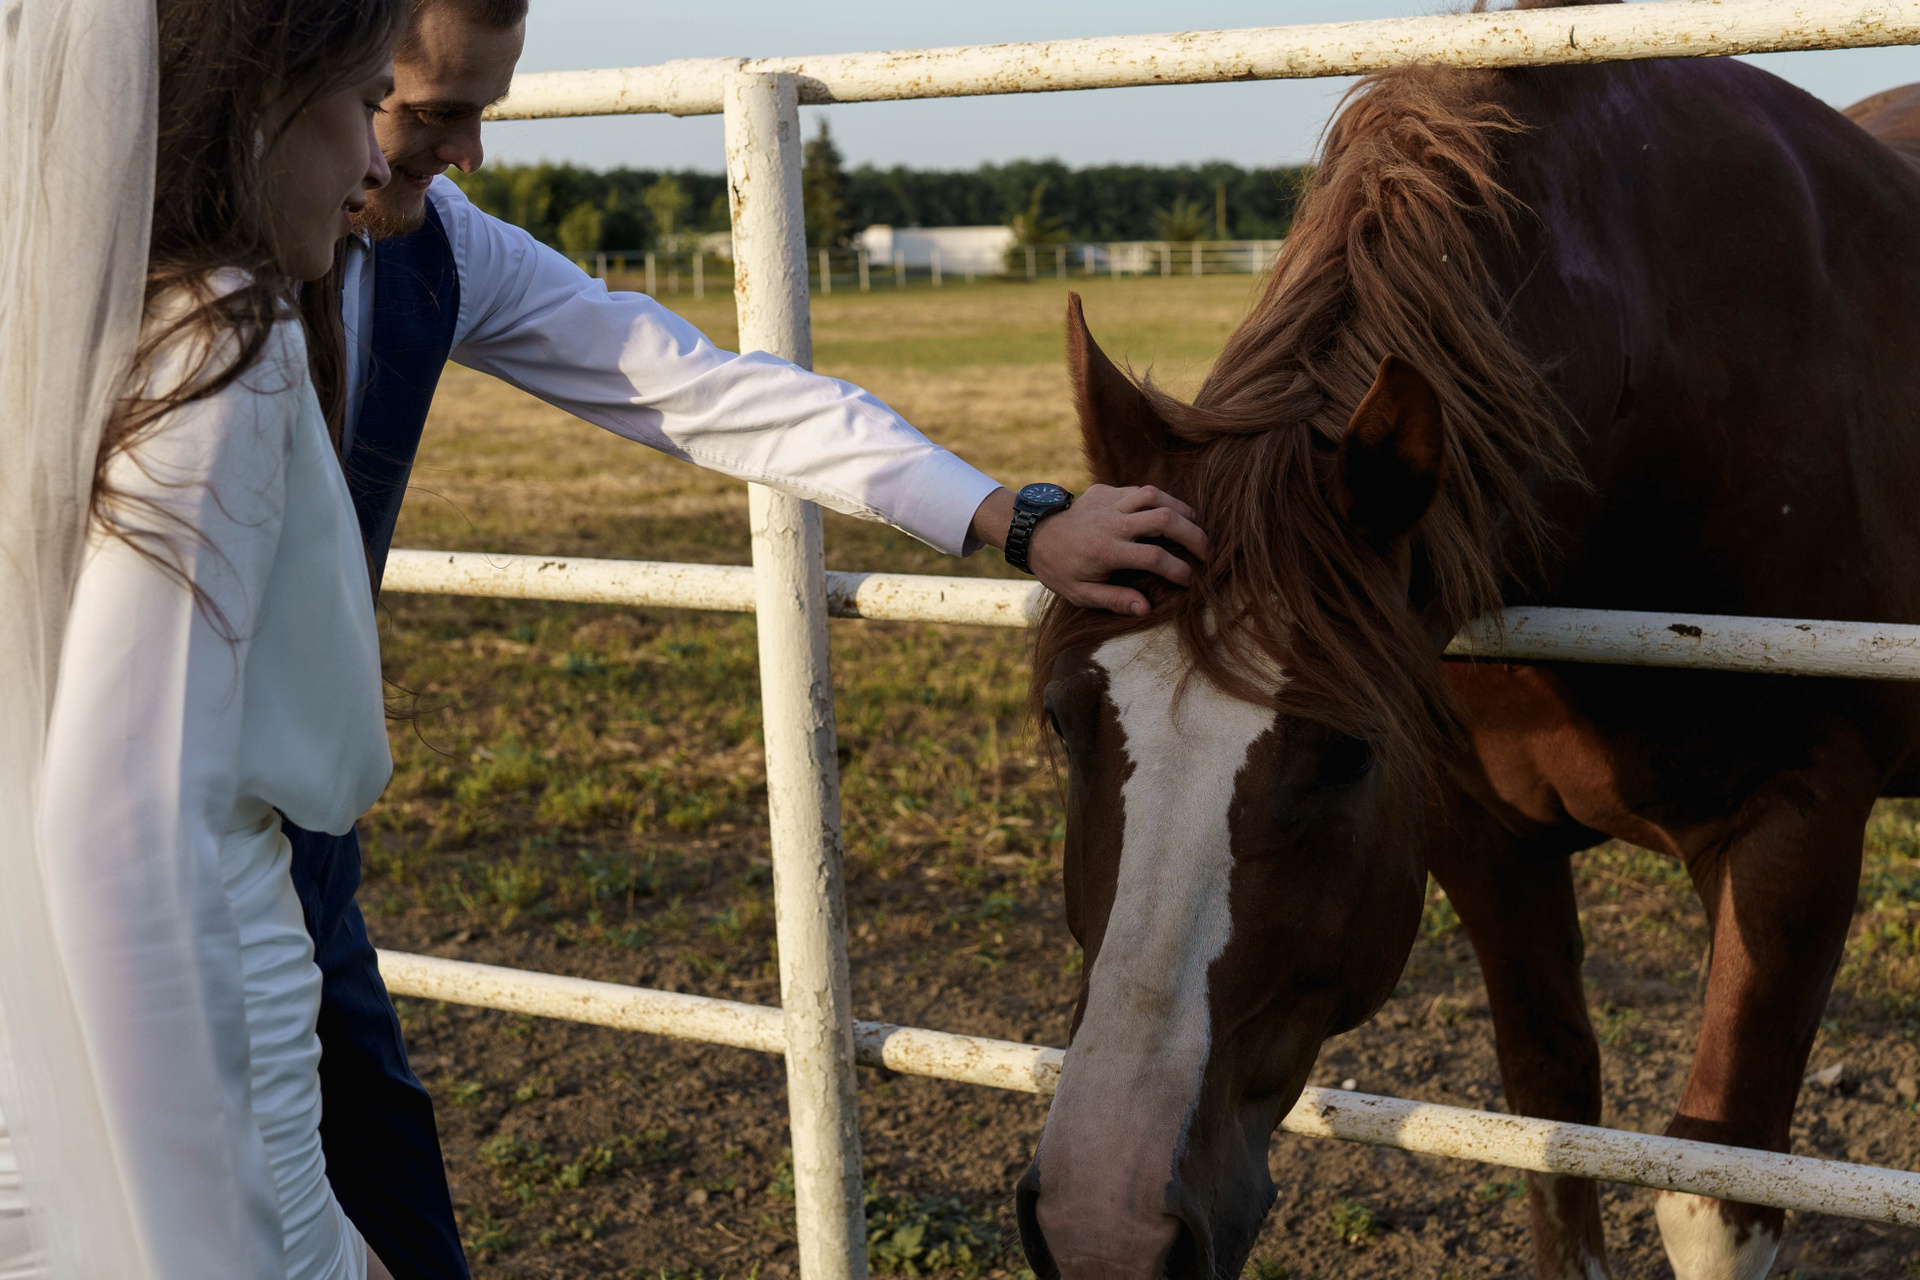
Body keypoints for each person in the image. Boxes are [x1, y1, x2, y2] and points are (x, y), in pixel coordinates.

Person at [291, 3, 1217, 1277]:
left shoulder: (442, 251)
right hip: (133, 838)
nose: (470, 155)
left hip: (307, 852)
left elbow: (707, 390)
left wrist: (1011, 515)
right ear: (325, 70)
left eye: (482, 114)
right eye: (432, 113)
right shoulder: (151, 259)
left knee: (390, 1211)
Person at [0, 0, 412, 1276]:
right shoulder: (218, 335)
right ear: (259, 100)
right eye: (363, 99)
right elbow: (122, 819)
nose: (376, 161)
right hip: (207, 1024)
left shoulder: (60, 321)